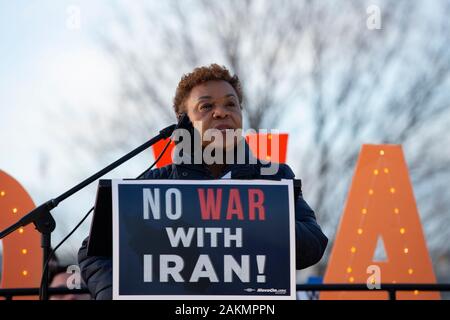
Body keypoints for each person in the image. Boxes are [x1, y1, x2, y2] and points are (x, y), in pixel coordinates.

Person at [78, 63, 328, 300]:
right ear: (184, 122)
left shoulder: (275, 176)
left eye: (232, 104)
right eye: (206, 107)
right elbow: (93, 253)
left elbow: (314, 244)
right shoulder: (156, 183)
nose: (221, 112)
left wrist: (257, 218)